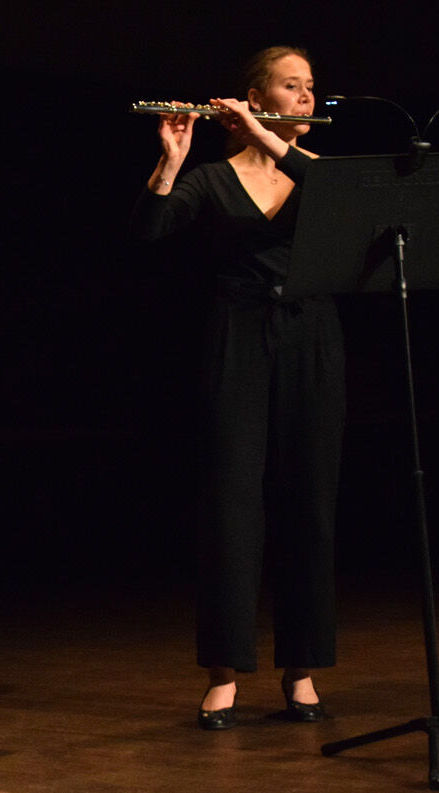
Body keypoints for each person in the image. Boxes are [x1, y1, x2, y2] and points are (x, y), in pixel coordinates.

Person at [129, 47, 345, 729]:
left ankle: (302, 667)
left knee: (309, 501)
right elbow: (149, 230)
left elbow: (333, 195)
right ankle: (224, 671)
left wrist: (264, 136)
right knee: (231, 504)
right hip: (238, 337)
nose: (307, 98)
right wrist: (171, 160)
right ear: (255, 97)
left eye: (311, 87)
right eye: (292, 86)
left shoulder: (318, 171)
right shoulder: (215, 179)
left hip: (311, 335)